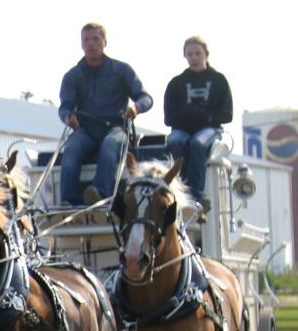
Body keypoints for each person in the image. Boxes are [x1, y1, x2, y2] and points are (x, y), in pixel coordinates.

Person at [57, 23, 154, 205]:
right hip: (85, 130)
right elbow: (65, 106)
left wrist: (136, 108)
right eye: (86, 40)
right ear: (81, 44)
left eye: (95, 39)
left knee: (109, 147)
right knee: (70, 149)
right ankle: (67, 200)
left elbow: (146, 98)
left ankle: (99, 193)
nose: (91, 44)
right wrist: (68, 117)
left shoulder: (122, 70)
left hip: (115, 128)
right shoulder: (72, 76)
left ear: (104, 42)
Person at [163, 35, 232, 211]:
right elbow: (168, 118)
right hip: (182, 129)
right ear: (185, 56)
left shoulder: (219, 80)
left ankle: (195, 194)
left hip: (209, 129)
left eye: (197, 53)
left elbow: (227, 114)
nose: (194, 58)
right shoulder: (176, 83)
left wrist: (206, 117)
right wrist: (186, 116)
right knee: (174, 142)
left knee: (197, 144)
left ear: (206, 54)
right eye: (190, 54)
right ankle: (176, 188)